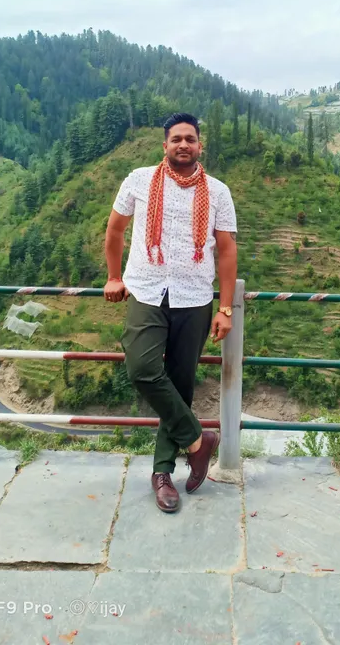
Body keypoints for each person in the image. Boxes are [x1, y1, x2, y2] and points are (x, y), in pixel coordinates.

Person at [103, 112, 238, 513]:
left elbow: (227, 250)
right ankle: (199, 439)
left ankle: (163, 473)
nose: (183, 144)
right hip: (146, 291)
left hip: (195, 298)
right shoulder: (139, 179)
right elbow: (115, 230)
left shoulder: (218, 192)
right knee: (142, 369)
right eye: (176, 138)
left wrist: (226, 307)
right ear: (165, 145)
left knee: (180, 385)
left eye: (190, 139)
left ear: (200, 146)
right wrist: (113, 276)